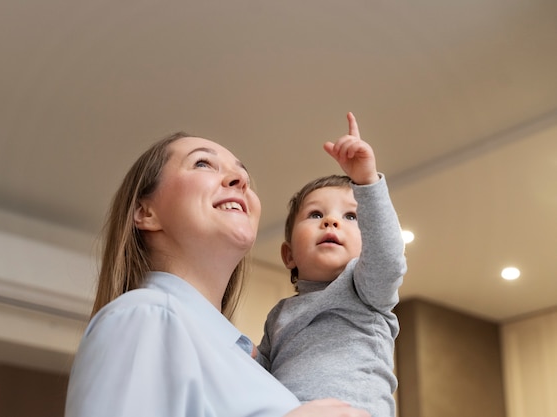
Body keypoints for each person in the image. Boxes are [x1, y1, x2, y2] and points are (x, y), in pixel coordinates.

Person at [64, 131, 371, 417]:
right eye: (202, 163)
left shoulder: (252, 365)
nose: (241, 179)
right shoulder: (144, 315)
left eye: (244, 175)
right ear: (146, 212)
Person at [255, 113, 407, 417]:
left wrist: (366, 182)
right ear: (289, 256)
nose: (331, 220)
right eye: (314, 215)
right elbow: (262, 375)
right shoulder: (279, 315)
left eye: (351, 217)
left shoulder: (365, 289)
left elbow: (388, 259)